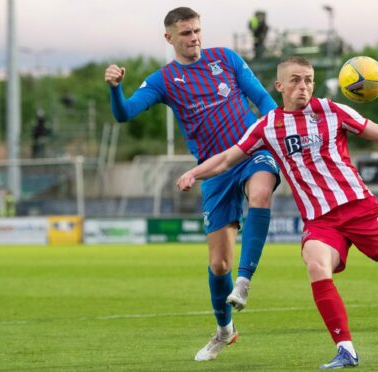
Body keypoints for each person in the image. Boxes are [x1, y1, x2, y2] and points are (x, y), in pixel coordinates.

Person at [176, 56, 378, 368]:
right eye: (296, 80)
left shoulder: (331, 110)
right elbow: (225, 159)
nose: (304, 86)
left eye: (309, 80)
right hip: (321, 221)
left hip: (362, 209)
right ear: (279, 86)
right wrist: (195, 173)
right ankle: (346, 349)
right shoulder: (267, 126)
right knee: (316, 264)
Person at [104, 7, 280, 361]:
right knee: (218, 265)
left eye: (197, 30)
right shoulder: (163, 80)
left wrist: (275, 131)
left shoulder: (226, 59)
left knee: (261, 191)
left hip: (250, 152)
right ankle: (224, 331)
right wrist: (116, 88)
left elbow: (262, 99)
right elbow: (124, 114)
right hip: (213, 171)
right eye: (185, 33)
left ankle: (244, 282)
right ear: (169, 38)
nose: (194, 38)